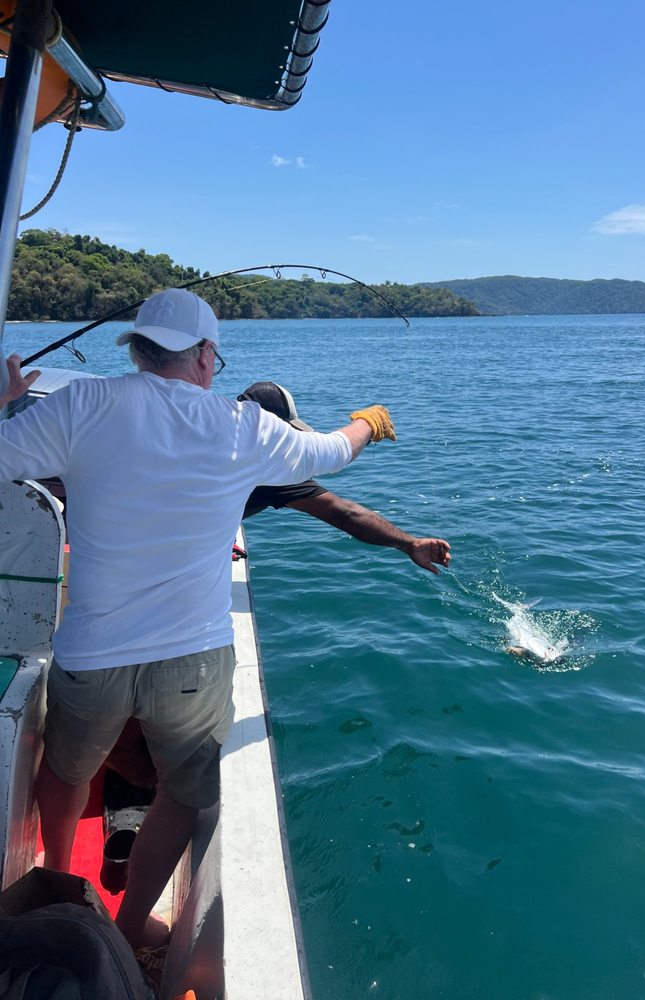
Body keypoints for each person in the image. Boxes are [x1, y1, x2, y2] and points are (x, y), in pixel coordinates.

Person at [0, 287, 396, 951]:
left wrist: (7, 402)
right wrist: (368, 422)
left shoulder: (82, 404)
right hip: (194, 659)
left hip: (94, 651)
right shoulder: (243, 427)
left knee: (67, 770)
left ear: (138, 348)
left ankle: (60, 889)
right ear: (205, 355)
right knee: (183, 793)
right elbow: (330, 451)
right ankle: (129, 931)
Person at [238, 381, 451, 574]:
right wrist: (409, 544)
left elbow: (344, 513)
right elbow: (344, 513)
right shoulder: (270, 468)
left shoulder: (212, 435)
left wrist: (409, 544)